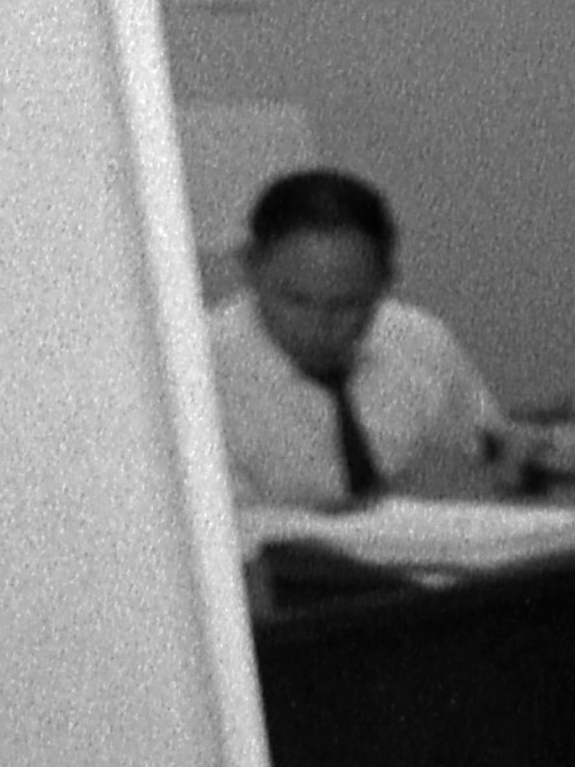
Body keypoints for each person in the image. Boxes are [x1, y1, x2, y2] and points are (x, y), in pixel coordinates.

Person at [199, 167, 499, 512]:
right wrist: (384, 505)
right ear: (250, 267)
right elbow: (224, 534)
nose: (319, 324)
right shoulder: (194, 371)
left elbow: (489, 461)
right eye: (296, 300)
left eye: (348, 304)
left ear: (385, 281)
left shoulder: (420, 341)